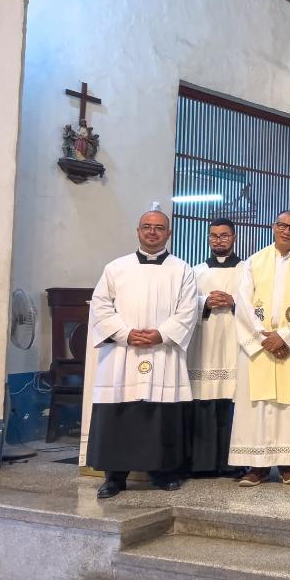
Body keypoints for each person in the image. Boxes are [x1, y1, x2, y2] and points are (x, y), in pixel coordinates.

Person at [86, 210, 199, 498]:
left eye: (159, 228)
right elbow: (99, 307)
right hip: (123, 354)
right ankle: (114, 477)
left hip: (163, 351)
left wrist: (162, 333)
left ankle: (163, 472)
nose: (152, 232)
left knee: (161, 413)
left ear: (168, 234)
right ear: (137, 231)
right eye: (147, 227)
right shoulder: (115, 268)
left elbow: (188, 310)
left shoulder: (182, 269)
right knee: (119, 412)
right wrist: (124, 333)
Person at [228, 211, 290, 487]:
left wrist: (286, 337)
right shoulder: (254, 262)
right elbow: (242, 304)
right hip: (259, 349)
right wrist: (263, 338)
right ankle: (257, 467)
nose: (287, 231)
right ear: (272, 226)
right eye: (282, 225)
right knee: (257, 407)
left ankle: (289, 465)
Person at [186, 218, 242, 476]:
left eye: (224, 235)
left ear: (233, 237)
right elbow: (185, 305)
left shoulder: (246, 270)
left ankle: (232, 463)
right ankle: (202, 463)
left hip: (233, 342)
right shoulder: (195, 272)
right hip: (205, 344)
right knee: (204, 400)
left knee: (231, 401)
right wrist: (204, 302)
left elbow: (255, 305)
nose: (218, 240)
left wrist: (234, 301)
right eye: (214, 235)